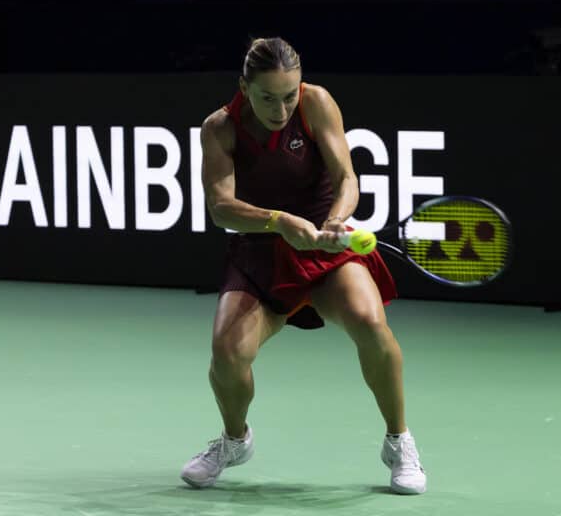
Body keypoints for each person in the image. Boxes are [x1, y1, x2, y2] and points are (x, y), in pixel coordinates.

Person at [180, 37, 426, 495]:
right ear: (244, 88)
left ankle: (399, 442)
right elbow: (220, 207)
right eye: (268, 97)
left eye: (289, 94)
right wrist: (277, 222)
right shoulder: (220, 128)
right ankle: (235, 440)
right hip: (261, 254)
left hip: (325, 249)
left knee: (371, 323)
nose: (281, 108)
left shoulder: (316, 103)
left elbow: (346, 178)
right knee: (227, 355)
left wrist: (335, 219)